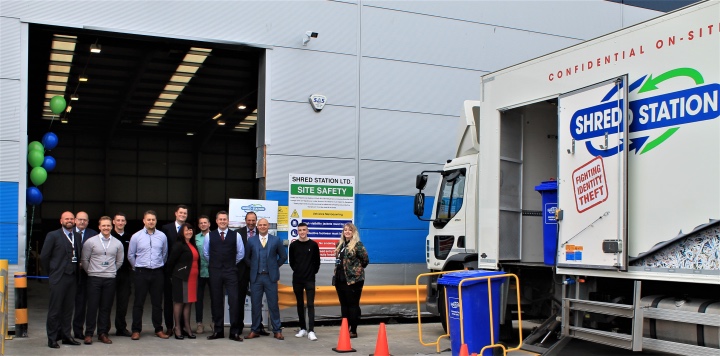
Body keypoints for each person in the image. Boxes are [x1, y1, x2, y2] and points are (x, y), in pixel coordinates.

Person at [40, 211, 82, 348]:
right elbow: (44, 257)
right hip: (58, 277)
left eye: (71, 218)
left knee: (68, 309)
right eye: (66, 219)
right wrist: (52, 273)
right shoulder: (53, 235)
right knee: (55, 309)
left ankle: (66, 336)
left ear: (74, 221)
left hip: (72, 277)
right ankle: (52, 338)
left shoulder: (77, 235)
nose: (69, 220)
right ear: (61, 221)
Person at [81, 216, 124, 345]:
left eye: (108, 225)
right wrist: (92, 271)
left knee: (106, 307)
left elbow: (119, 261)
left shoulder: (117, 243)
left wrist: (111, 271)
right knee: (92, 307)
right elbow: (84, 260)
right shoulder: (90, 242)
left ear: (112, 227)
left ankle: (102, 333)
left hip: (110, 279)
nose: (106, 228)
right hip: (94, 278)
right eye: (103, 225)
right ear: (99, 227)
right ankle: (89, 334)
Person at [128, 210, 170, 340]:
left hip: (157, 272)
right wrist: (138, 267)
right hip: (141, 272)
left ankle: (158, 329)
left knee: (157, 303)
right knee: (138, 302)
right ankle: (136, 330)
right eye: (148, 219)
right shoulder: (136, 236)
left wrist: (158, 265)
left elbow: (164, 254)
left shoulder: (162, 236)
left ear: (156, 221)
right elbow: (131, 255)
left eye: (153, 219)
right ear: (144, 221)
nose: (151, 221)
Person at [203, 211, 245, 342]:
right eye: (220, 219)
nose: (222, 221)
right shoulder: (209, 236)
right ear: (216, 221)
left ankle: (234, 332)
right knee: (216, 301)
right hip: (215, 271)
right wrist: (216, 264)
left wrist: (230, 264)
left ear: (228, 221)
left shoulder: (236, 235)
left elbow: (240, 253)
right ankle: (218, 331)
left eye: (224, 219)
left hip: (231, 271)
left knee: (234, 301)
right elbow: (206, 253)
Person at [245, 218, 287, 340]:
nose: (262, 226)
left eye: (265, 225)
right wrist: (253, 267)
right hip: (256, 277)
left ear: (268, 226)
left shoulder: (276, 240)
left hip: (270, 277)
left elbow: (283, 256)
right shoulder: (251, 240)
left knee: (273, 304)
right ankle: (255, 330)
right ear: (257, 226)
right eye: (260, 225)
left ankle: (277, 330)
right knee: (256, 305)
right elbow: (246, 258)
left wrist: (274, 266)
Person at [235, 211, 268, 336]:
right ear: (245, 220)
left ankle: (258, 326)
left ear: (256, 220)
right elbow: (237, 252)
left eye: (253, 220)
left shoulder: (262, 233)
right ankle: (238, 327)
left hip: (258, 272)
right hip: (241, 271)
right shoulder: (238, 233)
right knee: (239, 300)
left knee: (257, 300)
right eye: (249, 220)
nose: (251, 223)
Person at [334, 223, 369, 338]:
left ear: (353, 232)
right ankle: (345, 327)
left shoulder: (358, 245)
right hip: (340, 280)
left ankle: (353, 330)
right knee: (344, 305)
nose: (347, 232)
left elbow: (365, 260)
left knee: (352, 305)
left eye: (350, 230)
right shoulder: (340, 245)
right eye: (345, 230)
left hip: (354, 280)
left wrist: (355, 270)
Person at [165, 223, 199, 340]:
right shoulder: (179, 245)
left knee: (188, 302)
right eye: (186, 230)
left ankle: (187, 327)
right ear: (181, 232)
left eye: (190, 230)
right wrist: (172, 276)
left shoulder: (192, 244)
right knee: (179, 302)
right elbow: (170, 262)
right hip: (181, 277)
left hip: (192, 278)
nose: (189, 232)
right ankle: (178, 328)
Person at [289, 222, 320, 341]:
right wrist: (298, 271)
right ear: (298, 231)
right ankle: (302, 328)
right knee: (300, 304)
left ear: (307, 231)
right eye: (300, 230)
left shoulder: (313, 245)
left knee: (310, 304)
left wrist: (311, 273)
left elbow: (317, 262)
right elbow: (292, 262)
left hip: (310, 280)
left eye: (304, 230)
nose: (302, 232)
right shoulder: (293, 246)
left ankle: (311, 330)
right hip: (297, 279)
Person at [161, 205, 188, 334]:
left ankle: (181, 326)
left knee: (182, 299)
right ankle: (170, 327)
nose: (182, 215)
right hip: (169, 269)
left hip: (183, 270)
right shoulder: (166, 229)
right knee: (168, 299)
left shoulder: (188, 228)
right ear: (176, 213)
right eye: (180, 212)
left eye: (185, 213)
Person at [72, 211, 98, 339]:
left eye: (85, 220)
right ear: (75, 220)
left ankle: (79, 331)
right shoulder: (69, 233)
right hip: (70, 274)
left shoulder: (93, 234)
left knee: (83, 303)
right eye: (80, 219)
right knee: (68, 303)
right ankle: (62, 330)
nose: (82, 222)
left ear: (88, 222)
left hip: (87, 274)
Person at [111, 212, 133, 337]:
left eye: (122, 220)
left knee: (123, 302)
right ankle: (104, 329)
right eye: (117, 220)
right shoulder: (109, 236)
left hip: (125, 274)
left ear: (125, 222)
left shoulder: (130, 237)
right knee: (107, 302)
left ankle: (121, 328)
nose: (120, 222)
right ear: (113, 222)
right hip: (110, 273)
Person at [194, 215, 211, 334]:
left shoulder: (215, 236)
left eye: (205, 222)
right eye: (201, 223)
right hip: (199, 272)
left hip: (212, 271)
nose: (203, 224)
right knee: (198, 299)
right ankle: (199, 323)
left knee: (215, 298)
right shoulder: (195, 238)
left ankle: (215, 322)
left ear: (209, 224)